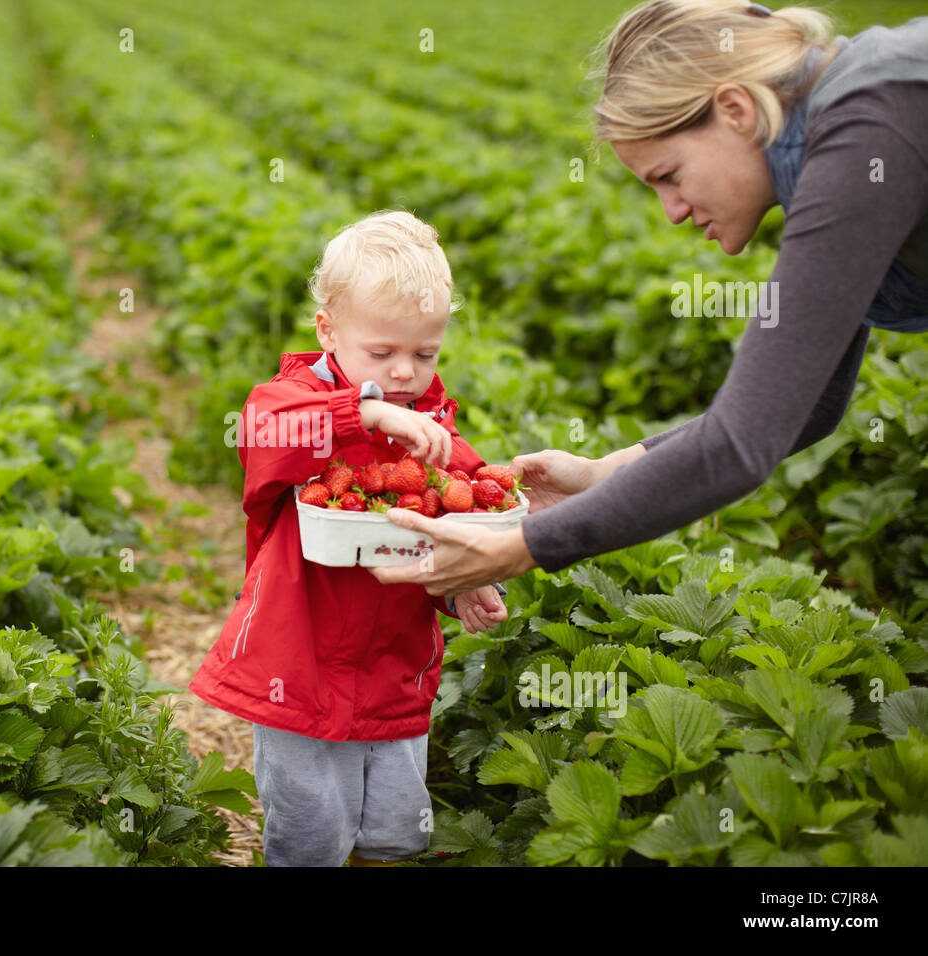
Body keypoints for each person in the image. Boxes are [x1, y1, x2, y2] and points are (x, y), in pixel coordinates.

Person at [370, 0, 928, 596]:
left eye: (669, 175)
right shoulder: (850, 119)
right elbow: (810, 402)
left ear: (736, 111)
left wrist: (520, 547)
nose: (673, 212)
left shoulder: (865, 131)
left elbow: (739, 443)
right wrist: (600, 474)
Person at [189, 210, 508, 866]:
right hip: (295, 667)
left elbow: (463, 517)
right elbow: (260, 435)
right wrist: (359, 413)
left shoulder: (432, 434)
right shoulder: (290, 405)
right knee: (309, 834)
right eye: (382, 353)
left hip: (394, 669)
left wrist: (469, 582)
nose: (404, 374)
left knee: (395, 831)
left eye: (425, 354)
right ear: (327, 332)